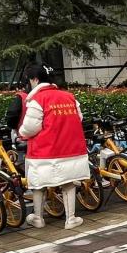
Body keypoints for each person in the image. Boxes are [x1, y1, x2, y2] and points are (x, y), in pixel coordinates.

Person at [17, 65, 90, 230]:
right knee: (69, 183)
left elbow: (30, 128)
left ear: (35, 79)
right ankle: (71, 219)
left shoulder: (38, 99)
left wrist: (21, 133)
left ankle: (38, 218)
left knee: (39, 184)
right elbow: (78, 118)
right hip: (70, 148)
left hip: (44, 151)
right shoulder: (69, 97)